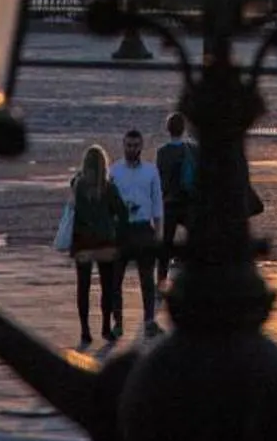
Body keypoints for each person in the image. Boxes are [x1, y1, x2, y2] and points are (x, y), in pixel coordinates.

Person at [66, 144, 131, 347]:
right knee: (107, 286)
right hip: (105, 242)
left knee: (83, 287)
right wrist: (116, 230)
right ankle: (105, 328)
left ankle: (85, 331)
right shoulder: (109, 187)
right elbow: (123, 213)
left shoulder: (78, 185)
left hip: (83, 242)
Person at [108, 124, 166, 337]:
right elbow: (108, 204)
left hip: (143, 228)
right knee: (115, 279)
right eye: (128, 145)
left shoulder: (151, 171)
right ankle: (118, 323)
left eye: (135, 145)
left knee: (146, 280)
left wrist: (158, 232)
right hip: (121, 230)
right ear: (123, 145)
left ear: (141, 146)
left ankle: (149, 320)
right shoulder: (114, 171)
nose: (132, 148)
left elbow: (157, 202)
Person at [154, 110, 196, 282]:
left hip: (169, 202)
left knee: (166, 242)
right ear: (183, 129)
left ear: (168, 129)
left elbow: (160, 178)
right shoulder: (191, 149)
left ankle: (161, 278)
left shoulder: (162, 152)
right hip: (188, 201)